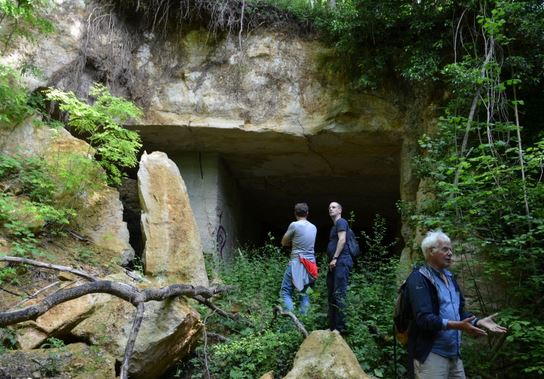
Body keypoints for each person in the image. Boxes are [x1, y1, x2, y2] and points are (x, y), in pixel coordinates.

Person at [406, 230, 508, 379]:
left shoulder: (450, 277)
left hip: (454, 354)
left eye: (451, 249)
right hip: (431, 354)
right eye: (445, 249)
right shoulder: (418, 279)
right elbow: (424, 319)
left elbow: (459, 313)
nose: (450, 253)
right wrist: (458, 325)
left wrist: (477, 321)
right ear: (430, 252)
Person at [280, 202, 317, 314]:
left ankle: (289, 321)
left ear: (295, 213)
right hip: (311, 265)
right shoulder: (314, 227)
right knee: (305, 292)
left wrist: (293, 242)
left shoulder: (294, 225)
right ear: (307, 213)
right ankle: (304, 321)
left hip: (297, 262)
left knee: (285, 291)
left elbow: (284, 242)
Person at [327, 201, 353, 333]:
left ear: (340, 210)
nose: (330, 209)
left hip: (341, 261)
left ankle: (340, 328)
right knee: (332, 293)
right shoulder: (335, 225)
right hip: (335, 263)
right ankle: (333, 327)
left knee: (339, 293)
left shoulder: (341, 222)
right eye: (329, 207)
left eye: (334, 207)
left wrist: (335, 258)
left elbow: (342, 239)